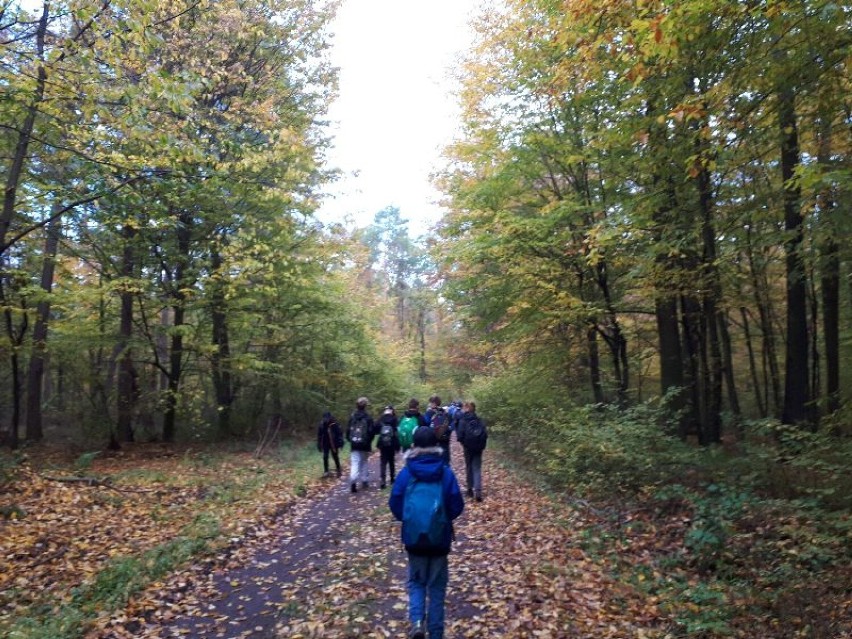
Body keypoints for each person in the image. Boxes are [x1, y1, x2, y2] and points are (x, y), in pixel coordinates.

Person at [389, 426, 465, 639]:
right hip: (439, 539)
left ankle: (416, 623)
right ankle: (436, 633)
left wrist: (410, 519)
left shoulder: (407, 473)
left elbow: (395, 502)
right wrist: (442, 519)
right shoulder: (445, 472)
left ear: (414, 445)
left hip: (414, 538)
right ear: (436, 445)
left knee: (416, 581)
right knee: (437, 587)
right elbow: (457, 505)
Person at [456, 401, 487, 502]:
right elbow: (485, 434)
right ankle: (478, 491)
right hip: (478, 447)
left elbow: (459, 436)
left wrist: (465, 444)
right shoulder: (479, 420)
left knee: (469, 467)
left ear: (466, 409)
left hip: (468, 448)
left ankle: (470, 490)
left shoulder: (463, 420)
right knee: (477, 468)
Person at [346, 396, 375, 493]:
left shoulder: (352, 416)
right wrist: (369, 440)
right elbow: (372, 431)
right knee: (364, 462)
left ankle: (353, 481)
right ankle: (364, 480)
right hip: (365, 444)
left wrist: (350, 440)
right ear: (365, 406)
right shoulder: (368, 417)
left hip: (354, 444)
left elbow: (348, 430)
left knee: (355, 463)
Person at [376, 404, 400, 489]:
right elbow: (397, 433)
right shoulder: (394, 419)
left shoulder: (381, 419)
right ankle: (392, 479)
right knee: (391, 461)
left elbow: (376, 429)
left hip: (382, 444)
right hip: (392, 443)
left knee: (383, 462)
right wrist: (398, 446)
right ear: (392, 411)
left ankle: (383, 480)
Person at [316, 411, 343, 477]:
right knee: (325, 456)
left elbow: (339, 433)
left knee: (335, 456)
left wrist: (340, 442)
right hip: (325, 442)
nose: (326, 419)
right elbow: (319, 435)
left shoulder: (334, 423)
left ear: (330, 417)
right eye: (325, 418)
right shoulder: (322, 424)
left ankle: (338, 469)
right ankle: (326, 471)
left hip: (334, 443)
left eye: (327, 418)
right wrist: (319, 444)